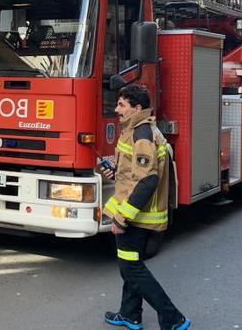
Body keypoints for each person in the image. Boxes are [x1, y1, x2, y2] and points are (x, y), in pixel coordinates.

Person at [102, 85, 190, 330]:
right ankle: (130, 315)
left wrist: (122, 218)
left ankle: (173, 318)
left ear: (137, 108)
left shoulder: (142, 134)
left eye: (122, 105)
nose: (117, 109)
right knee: (130, 265)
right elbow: (133, 174)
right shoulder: (136, 131)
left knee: (131, 268)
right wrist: (114, 171)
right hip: (135, 214)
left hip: (135, 216)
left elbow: (147, 179)